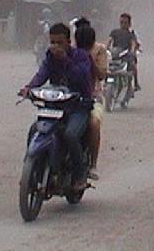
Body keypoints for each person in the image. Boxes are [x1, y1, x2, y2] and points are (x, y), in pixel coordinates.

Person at [20, 23, 93, 192]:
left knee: (70, 135)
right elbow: (41, 75)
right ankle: (30, 170)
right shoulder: (49, 58)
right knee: (34, 130)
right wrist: (28, 88)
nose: (55, 46)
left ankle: (79, 173)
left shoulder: (81, 56)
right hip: (54, 106)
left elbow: (82, 78)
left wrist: (65, 60)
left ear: (68, 42)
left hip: (78, 107)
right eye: (52, 42)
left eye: (59, 43)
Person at [74, 18, 108, 181]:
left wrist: (89, 59)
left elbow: (101, 75)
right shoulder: (70, 50)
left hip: (94, 97)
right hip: (73, 97)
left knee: (93, 124)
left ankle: (93, 164)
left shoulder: (100, 50)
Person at [108, 13, 140, 92]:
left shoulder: (131, 34)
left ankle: (136, 83)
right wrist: (106, 48)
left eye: (125, 23)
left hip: (127, 55)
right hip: (115, 54)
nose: (123, 25)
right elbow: (109, 41)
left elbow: (133, 43)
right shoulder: (114, 32)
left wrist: (132, 51)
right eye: (121, 22)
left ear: (129, 24)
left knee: (133, 65)